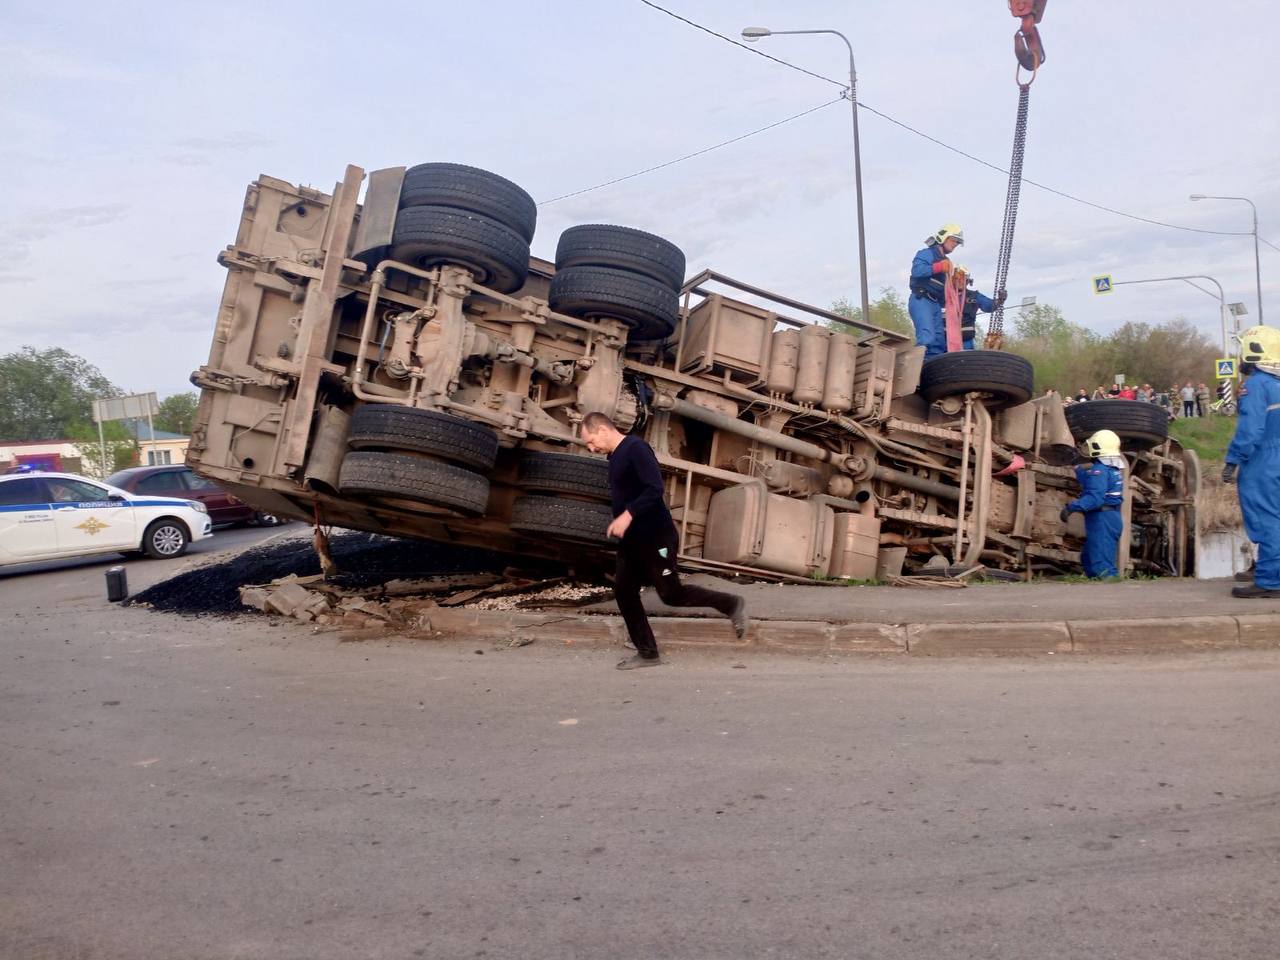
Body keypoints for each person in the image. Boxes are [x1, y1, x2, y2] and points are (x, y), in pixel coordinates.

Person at [582, 412, 747, 668]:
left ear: (603, 429)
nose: (591, 448)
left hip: (655, 536)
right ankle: (648, 653)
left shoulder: (636, 448)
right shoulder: (614, 456)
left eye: (591, 441)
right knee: (624, 592)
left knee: (671, 594)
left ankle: (731, 604)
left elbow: (654, 488)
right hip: (632, 540)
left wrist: (627, 515)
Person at [1222, 326, 1280, 599]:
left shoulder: (1256, 385)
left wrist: (1233, 460)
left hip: (1263, 462)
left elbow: (1251, 431)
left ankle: (1269, 580)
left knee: (1266, 520)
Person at [907, 225, 1003, 359]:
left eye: (957, 242)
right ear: (943, 237)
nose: (955, 244)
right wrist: (938, 267)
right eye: (953, 240)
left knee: (938, 343)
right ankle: (916, 374)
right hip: (922, 299)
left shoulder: (970, 295)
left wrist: (999, 301)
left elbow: (987, 305)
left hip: (934, 303)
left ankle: (932, 375)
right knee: (927, 337)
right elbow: (917, 271)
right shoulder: (927, 254)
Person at [1060, 429, 1126, 579]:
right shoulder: (1111, 470)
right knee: (1089, 558)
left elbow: (1095, 499)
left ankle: (1112, 591)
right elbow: (1093, 484)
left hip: (1102, 518)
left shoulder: (1100, 470)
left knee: (1102, 564)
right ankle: (1097, 587)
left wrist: (1071, 507)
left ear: (1097, 448)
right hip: (1110, 517)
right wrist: (1077, 468)